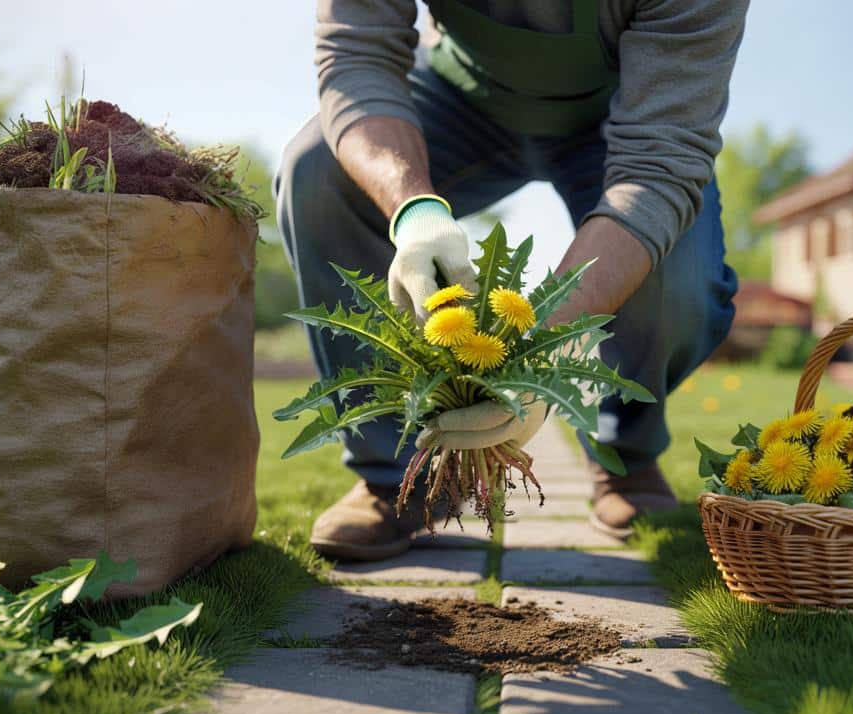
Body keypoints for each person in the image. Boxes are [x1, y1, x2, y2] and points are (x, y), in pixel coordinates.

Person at [277, 0, 748, 560]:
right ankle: (397, 474)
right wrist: (414, 212)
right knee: (315, 173)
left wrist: (539, 352)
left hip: (622, 116)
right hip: (457, 101)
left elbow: (657, 168)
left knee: (681, 278)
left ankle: (624, 454)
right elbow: (357, 56)